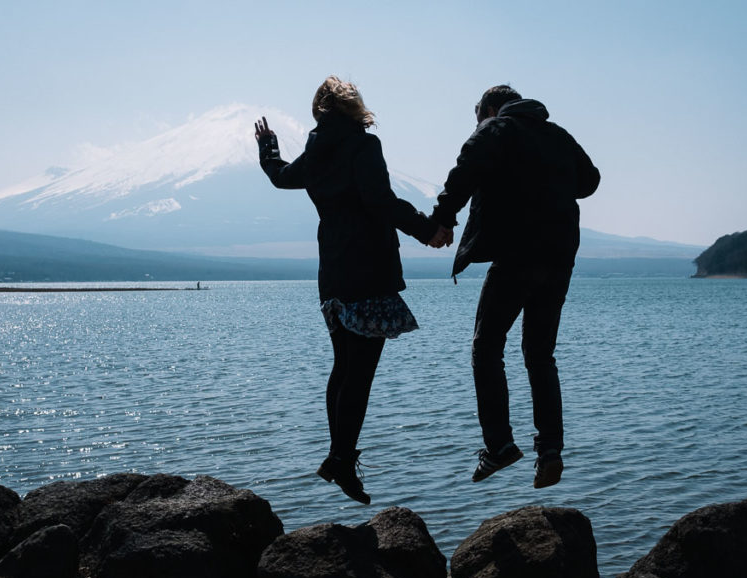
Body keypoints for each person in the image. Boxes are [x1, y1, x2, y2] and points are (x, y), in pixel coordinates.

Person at [254, 76, 440, 504]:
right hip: (368, 272)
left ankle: (339, 458)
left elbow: (281, 177)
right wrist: (427, 228)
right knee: (360, 374)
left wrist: (268, 148)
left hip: (333, 274)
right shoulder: (363, 145)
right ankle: (340, 460)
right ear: (354, 106)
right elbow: (379, 200)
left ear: (319, 109)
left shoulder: (317, 150)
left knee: (344, 370)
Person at [430, 85, 600, 489]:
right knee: (540, 355)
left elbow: (463, 174)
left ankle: (500, 445)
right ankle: (551, 451)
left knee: (486, 346)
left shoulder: (495, 129)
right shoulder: (556, 134)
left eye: (479, 118)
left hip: (518, 254)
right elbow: (589, 180)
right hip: (559, 256)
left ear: (489, 109)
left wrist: (442, 219)